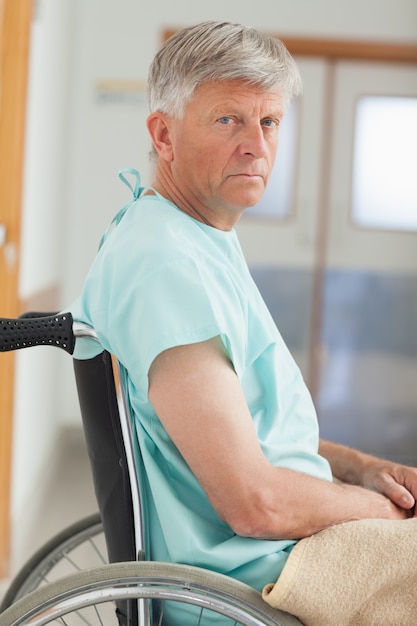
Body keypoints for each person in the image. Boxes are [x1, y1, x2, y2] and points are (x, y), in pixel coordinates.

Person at [71, 21, 417, 625]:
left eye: (270, 121)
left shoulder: (193, 236)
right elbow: (252, 502)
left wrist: (356, 467)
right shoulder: (165, 266)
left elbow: (241, 430)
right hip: (262, 574)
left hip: (286, 548)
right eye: (228, 120)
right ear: (164, 134)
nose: (256, 145)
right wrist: (373, 508)